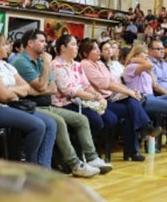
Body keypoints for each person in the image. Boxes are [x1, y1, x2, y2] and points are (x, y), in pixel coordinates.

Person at [12, 30, 108, 177]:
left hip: (47, 104)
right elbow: (41, 85)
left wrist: (40, 86)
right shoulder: (22, 62)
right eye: (42, 41)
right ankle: (75, 164)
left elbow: (52, 88)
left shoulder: (40, 60)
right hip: (32, 106)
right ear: (30, 43)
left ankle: (92, 157)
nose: (46, 45)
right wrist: (45, 68)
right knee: (59, 122)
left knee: (81, 119)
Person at [0, 30, 57, 167]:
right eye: (4, 45)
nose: (8, 47)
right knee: (37, 126)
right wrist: (9, 92)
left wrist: (8, 90)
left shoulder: (5, 65)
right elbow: (3, 96)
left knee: (51, 123)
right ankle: (28, 168)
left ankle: (44, 167)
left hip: (10, 105)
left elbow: (26, 87)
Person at [81, 39, 158, 162]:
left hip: (112, 97)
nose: (98, 51)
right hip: (99, 100)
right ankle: (141, 136)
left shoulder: (100, 64)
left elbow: (114, 81)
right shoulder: (85, 64)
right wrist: (128, 92)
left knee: (133, 103)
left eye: (97, 48)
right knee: (131, 108)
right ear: (85, 53)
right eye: (94, 49)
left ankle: (142, 134)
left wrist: (130, 91)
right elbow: (103, 83)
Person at [50, 34, 121, 164]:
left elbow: (86, 85)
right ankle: (84, 152)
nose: (76, 47)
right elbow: (69, 91)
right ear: (63, 48)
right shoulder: (56, 65)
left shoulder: (77, 65)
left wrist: (99, 96)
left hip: (82, 100)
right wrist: (95, 97)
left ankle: (89, 149)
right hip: (65, 103)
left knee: (110, 119)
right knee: (95, 120)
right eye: (73, 44)